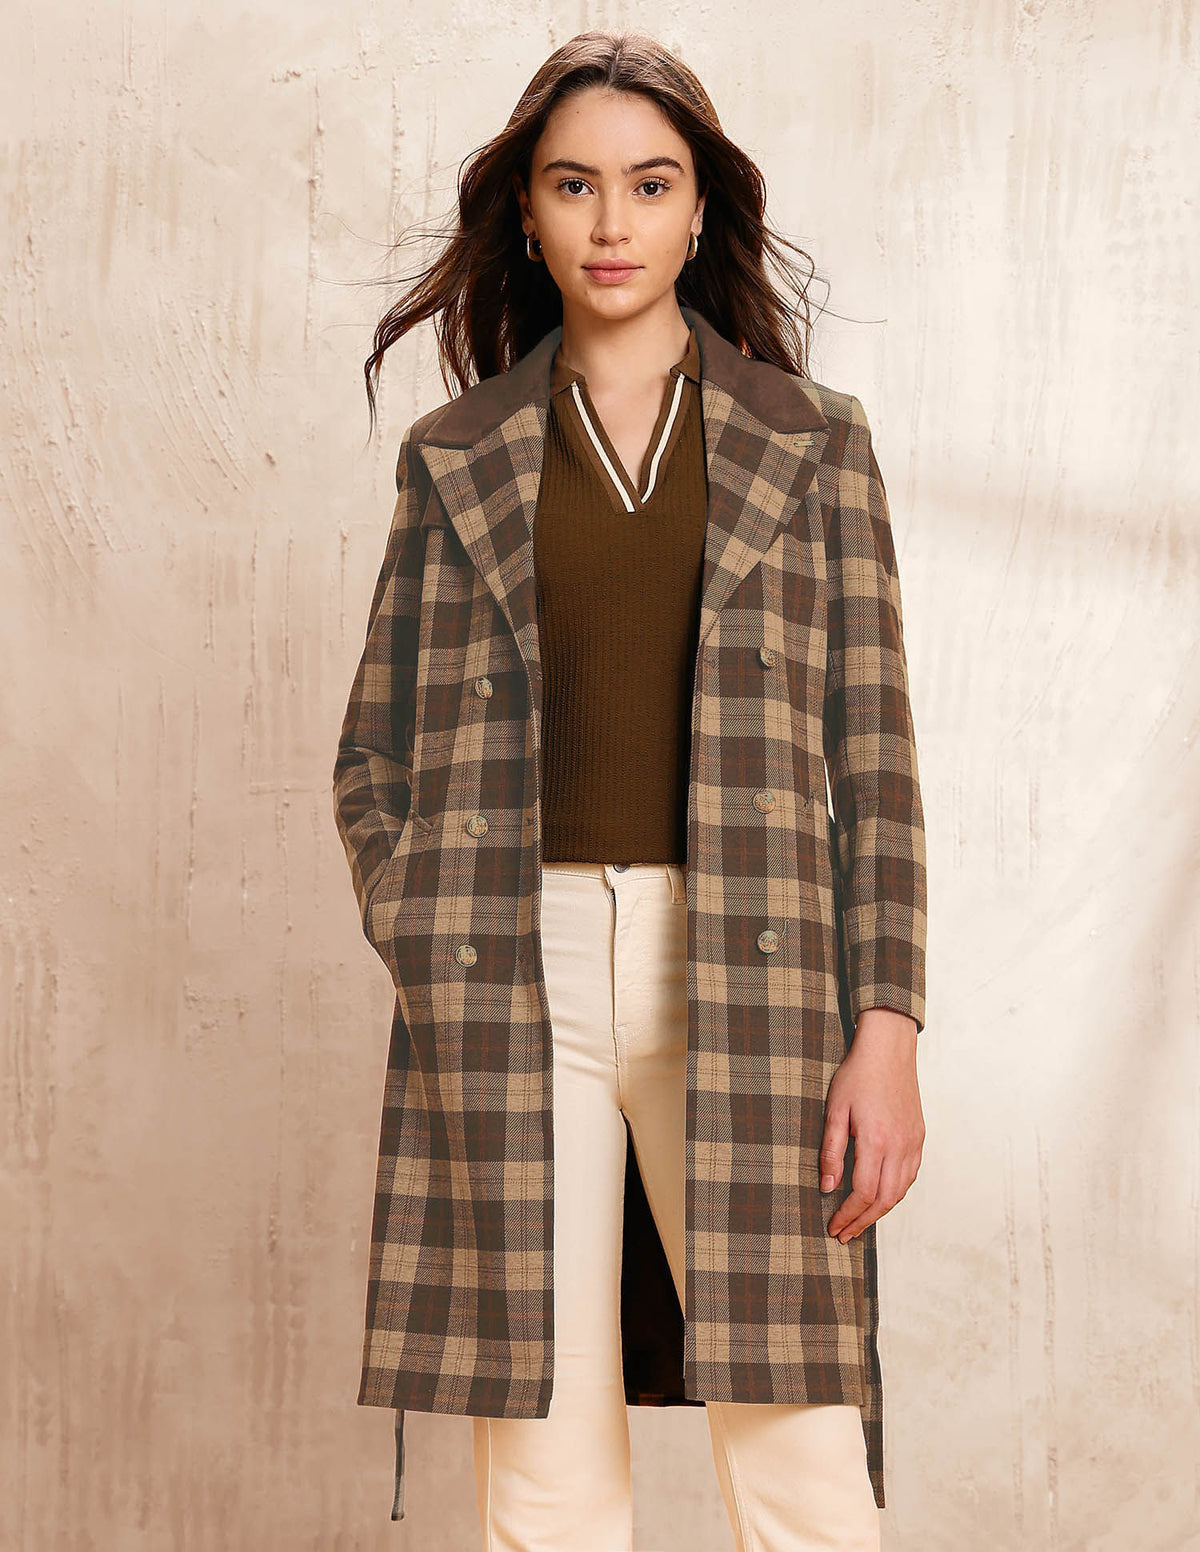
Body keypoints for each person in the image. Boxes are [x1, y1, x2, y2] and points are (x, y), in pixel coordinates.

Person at [333, 28, 927, 1552]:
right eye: (575, 185)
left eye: (650, 185)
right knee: (544, 1460)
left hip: (753, 967)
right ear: (528, 214)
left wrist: (886, 1027)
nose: (613, 223)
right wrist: (425, 929)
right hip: (508, 966)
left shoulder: (815, 444)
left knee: (802, 1455)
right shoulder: (455, 454)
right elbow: (373, 754)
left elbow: (876, 760)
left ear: (701, 212)